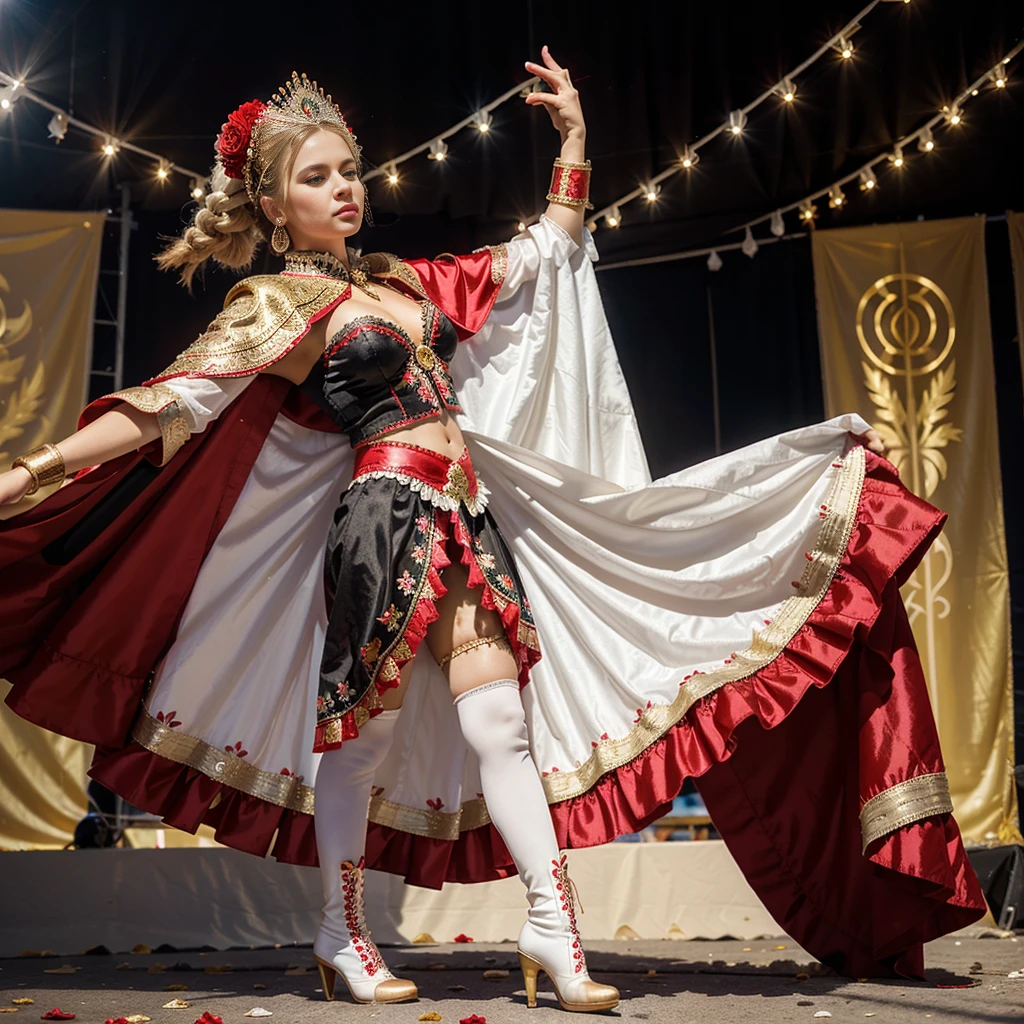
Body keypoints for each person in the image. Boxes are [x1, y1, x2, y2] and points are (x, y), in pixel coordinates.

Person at [0, 48, 986, 1010]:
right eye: (316, 176)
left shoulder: (403, 285)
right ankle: (341, 932)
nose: (345, 187)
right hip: (381, 518)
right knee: (361, 739)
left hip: (465, 509)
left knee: (501, 721)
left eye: (348, 168)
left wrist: (574, 143)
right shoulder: (281, 302)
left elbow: (539, 254)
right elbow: (175, 401)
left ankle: (551, 926)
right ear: (271, 207)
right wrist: (37, 467)